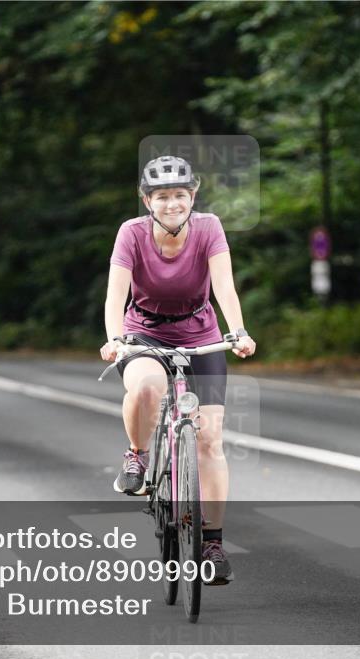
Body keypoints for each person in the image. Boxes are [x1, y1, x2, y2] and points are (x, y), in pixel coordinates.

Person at [100, 155, 256, 585]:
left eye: (180, 195)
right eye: (162, 196)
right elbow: (116, 296)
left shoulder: (209, 228)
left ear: (193, 195)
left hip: (200, 333)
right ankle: (138, 455)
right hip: (142, 335)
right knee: (148, 386)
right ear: (146, 200)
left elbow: (223, 285)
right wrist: (115, 339)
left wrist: (237, 330)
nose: (172, 204)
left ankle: (212, 543)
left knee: (209, 439)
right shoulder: (130, 234)